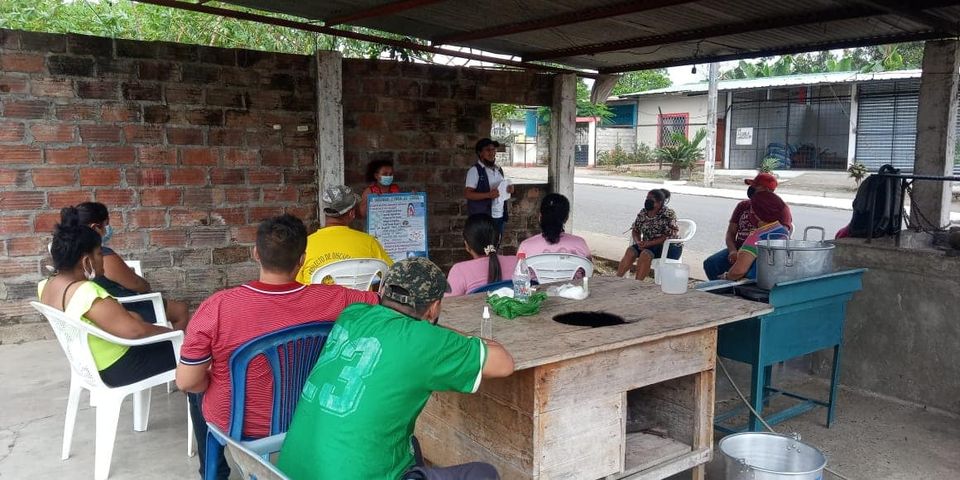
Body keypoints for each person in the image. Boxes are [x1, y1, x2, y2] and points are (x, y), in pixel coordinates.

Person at [176, 214, 380, 480]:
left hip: (238, 425)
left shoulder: (217, 307)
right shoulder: (335, 298)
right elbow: (381, 301)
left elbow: (187, 382)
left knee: (196, 390)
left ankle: (213, 473)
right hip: (307, 416)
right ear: (302, 259)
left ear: (256, 253)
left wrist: (212, 381)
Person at [277, 257, 514, 480]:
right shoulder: (425, 341)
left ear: (383, 291)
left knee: (411, 445)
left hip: (286, 472)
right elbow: (503, 363)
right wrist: (438, 334)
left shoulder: (352, 314)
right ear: (433, 308)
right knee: (482, 473)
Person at [39, 211, 176, 388]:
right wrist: (170, 333)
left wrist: (133, 319)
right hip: (119, 366)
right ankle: (200, 403)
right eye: (99, 253)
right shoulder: (86, 292)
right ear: (86, 261)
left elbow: (118, 321)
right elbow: (135, 331)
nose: (102, 258)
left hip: (93, 363)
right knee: (196, 353)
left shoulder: (45, 286)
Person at [65, 202, 190, 330]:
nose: (108, 230)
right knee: (181, 310)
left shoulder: (69, 252)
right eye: (106, 225)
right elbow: (137, 284)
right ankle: (172, 341)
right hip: (122, 308)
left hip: (99, 308)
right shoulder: (103, 256)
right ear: (95, 227)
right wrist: (145, 284)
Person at [702, 173, 793, 280]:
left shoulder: (779, 209)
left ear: (767, 190)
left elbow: (779, 240)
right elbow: (731, 232)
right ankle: (723, 287)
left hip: (762, 253)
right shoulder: (743, 205)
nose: (751, 188)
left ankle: (730, 286)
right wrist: (733, 251)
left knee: (745, 271)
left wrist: (727, 276)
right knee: (711, 263)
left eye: (755, 186)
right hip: (739, 248)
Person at [296, 185, 394, 285]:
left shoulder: (305, 244)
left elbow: (296, 284)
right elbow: (392, 272)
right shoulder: (369, 243)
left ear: (325, 212)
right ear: (352, 214)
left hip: (318, 296)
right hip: (358, 296)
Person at [720, 191, 791, 281]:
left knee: (706, 285)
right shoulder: (782, 231)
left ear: (755, 212)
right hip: (775, 280)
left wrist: (726, 276)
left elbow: (738, 272)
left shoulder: (756, 237)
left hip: (754, 284)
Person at [446, 214, 518, 296]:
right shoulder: (517, 263)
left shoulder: (459, 271)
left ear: (467, 245)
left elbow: (448, 302)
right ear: (499, 239)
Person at [617, 189, 680, 281]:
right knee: (630, 251)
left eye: (651, 199)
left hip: (668, 246)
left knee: (645, 254)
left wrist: (648, 244)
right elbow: (635, 230)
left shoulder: (668, 214)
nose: (647, 201)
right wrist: (638, 242)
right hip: (648, 244)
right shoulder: (643, 212)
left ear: (659, 203)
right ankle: (616, 279)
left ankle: (637, 284)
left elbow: (667, 236)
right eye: (647, 198)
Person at [465, 138, 513, 245]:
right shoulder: (475, 171)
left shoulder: (498, 169)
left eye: (493, 149)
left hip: (499, 215)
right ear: (480, 153)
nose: (492, 153)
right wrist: (488, 195)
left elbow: (501, 189)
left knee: (496, 245)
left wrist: (508, 189)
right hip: (484, 217)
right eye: (488, 150)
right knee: (484, 247)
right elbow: (468, 194)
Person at [518, 193, 591, 260]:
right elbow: (588, 267)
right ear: (566, 218)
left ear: (540, 217)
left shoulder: (525, 247)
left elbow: (519, 268)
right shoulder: (580, 244)